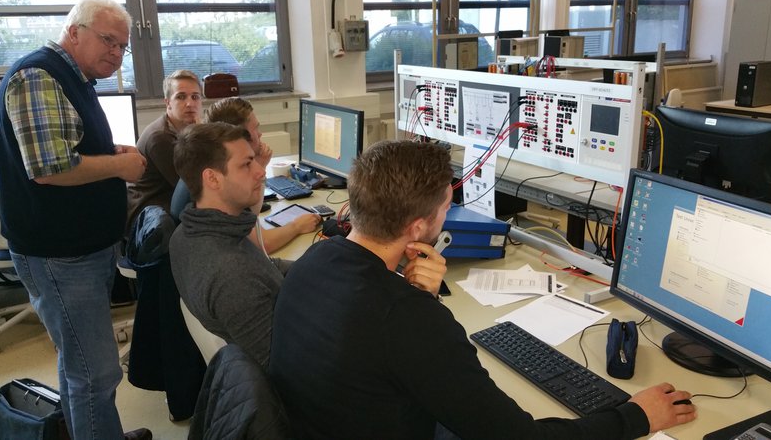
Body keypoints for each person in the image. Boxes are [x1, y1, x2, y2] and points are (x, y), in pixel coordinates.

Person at [268, 140, 698, 439]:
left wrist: (422, 299)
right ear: (418, 228)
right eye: (445, 207)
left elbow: (382, 343)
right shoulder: (407, 320)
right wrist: (635, 417)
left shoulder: (315, 260)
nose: (448, 214)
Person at [0, 0, 151, 440]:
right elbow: (48, 169)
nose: (116, 53)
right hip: (61, 255)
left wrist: (111, 152)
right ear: (74, 31)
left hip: (82, 249)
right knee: (97, 375)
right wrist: (120, 167)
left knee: (78, 362)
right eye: (108, 40)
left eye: (122, 47)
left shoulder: (76, 78)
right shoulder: (38, 75)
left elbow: (68, 147)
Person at [169, 122, 318, 369]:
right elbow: (283, 370)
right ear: (213, 179)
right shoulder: (232, 274)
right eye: (246, 164)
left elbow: (265, 267)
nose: (260, 172)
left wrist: (321, 268)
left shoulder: (187, 233)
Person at [204, 96, 319, 253]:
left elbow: (251, 214)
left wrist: (257, 165)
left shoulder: (216, 162)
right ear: (239, 135)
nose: (260, 134)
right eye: (255, 129)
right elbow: (263, 243)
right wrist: (297, 226)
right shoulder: (224, 181)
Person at [126, 69, 203, 228]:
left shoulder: (185, 128)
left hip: (169, 204)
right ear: (167, 102)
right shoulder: (160, 137)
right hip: (152, 219)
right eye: (181, 97)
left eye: (195, 97)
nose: (190, 103)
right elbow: (194, 186)